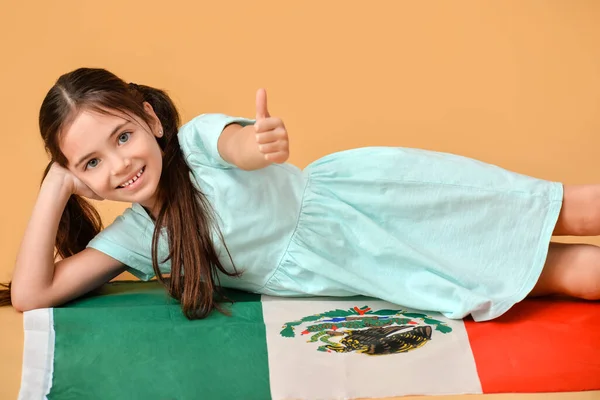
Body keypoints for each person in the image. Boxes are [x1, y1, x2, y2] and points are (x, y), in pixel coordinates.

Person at [1, 68, 599, 321]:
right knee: (551, 275)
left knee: (557, 208)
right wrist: (57, 184)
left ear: (152, 120)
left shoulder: (198, 142)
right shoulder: (137, 237)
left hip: (381, 200)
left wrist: (256, 144)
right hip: (367, 265)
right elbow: (32, 295)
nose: (120, 164)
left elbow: (237, 144)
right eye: (91, 162)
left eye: (123, 135)